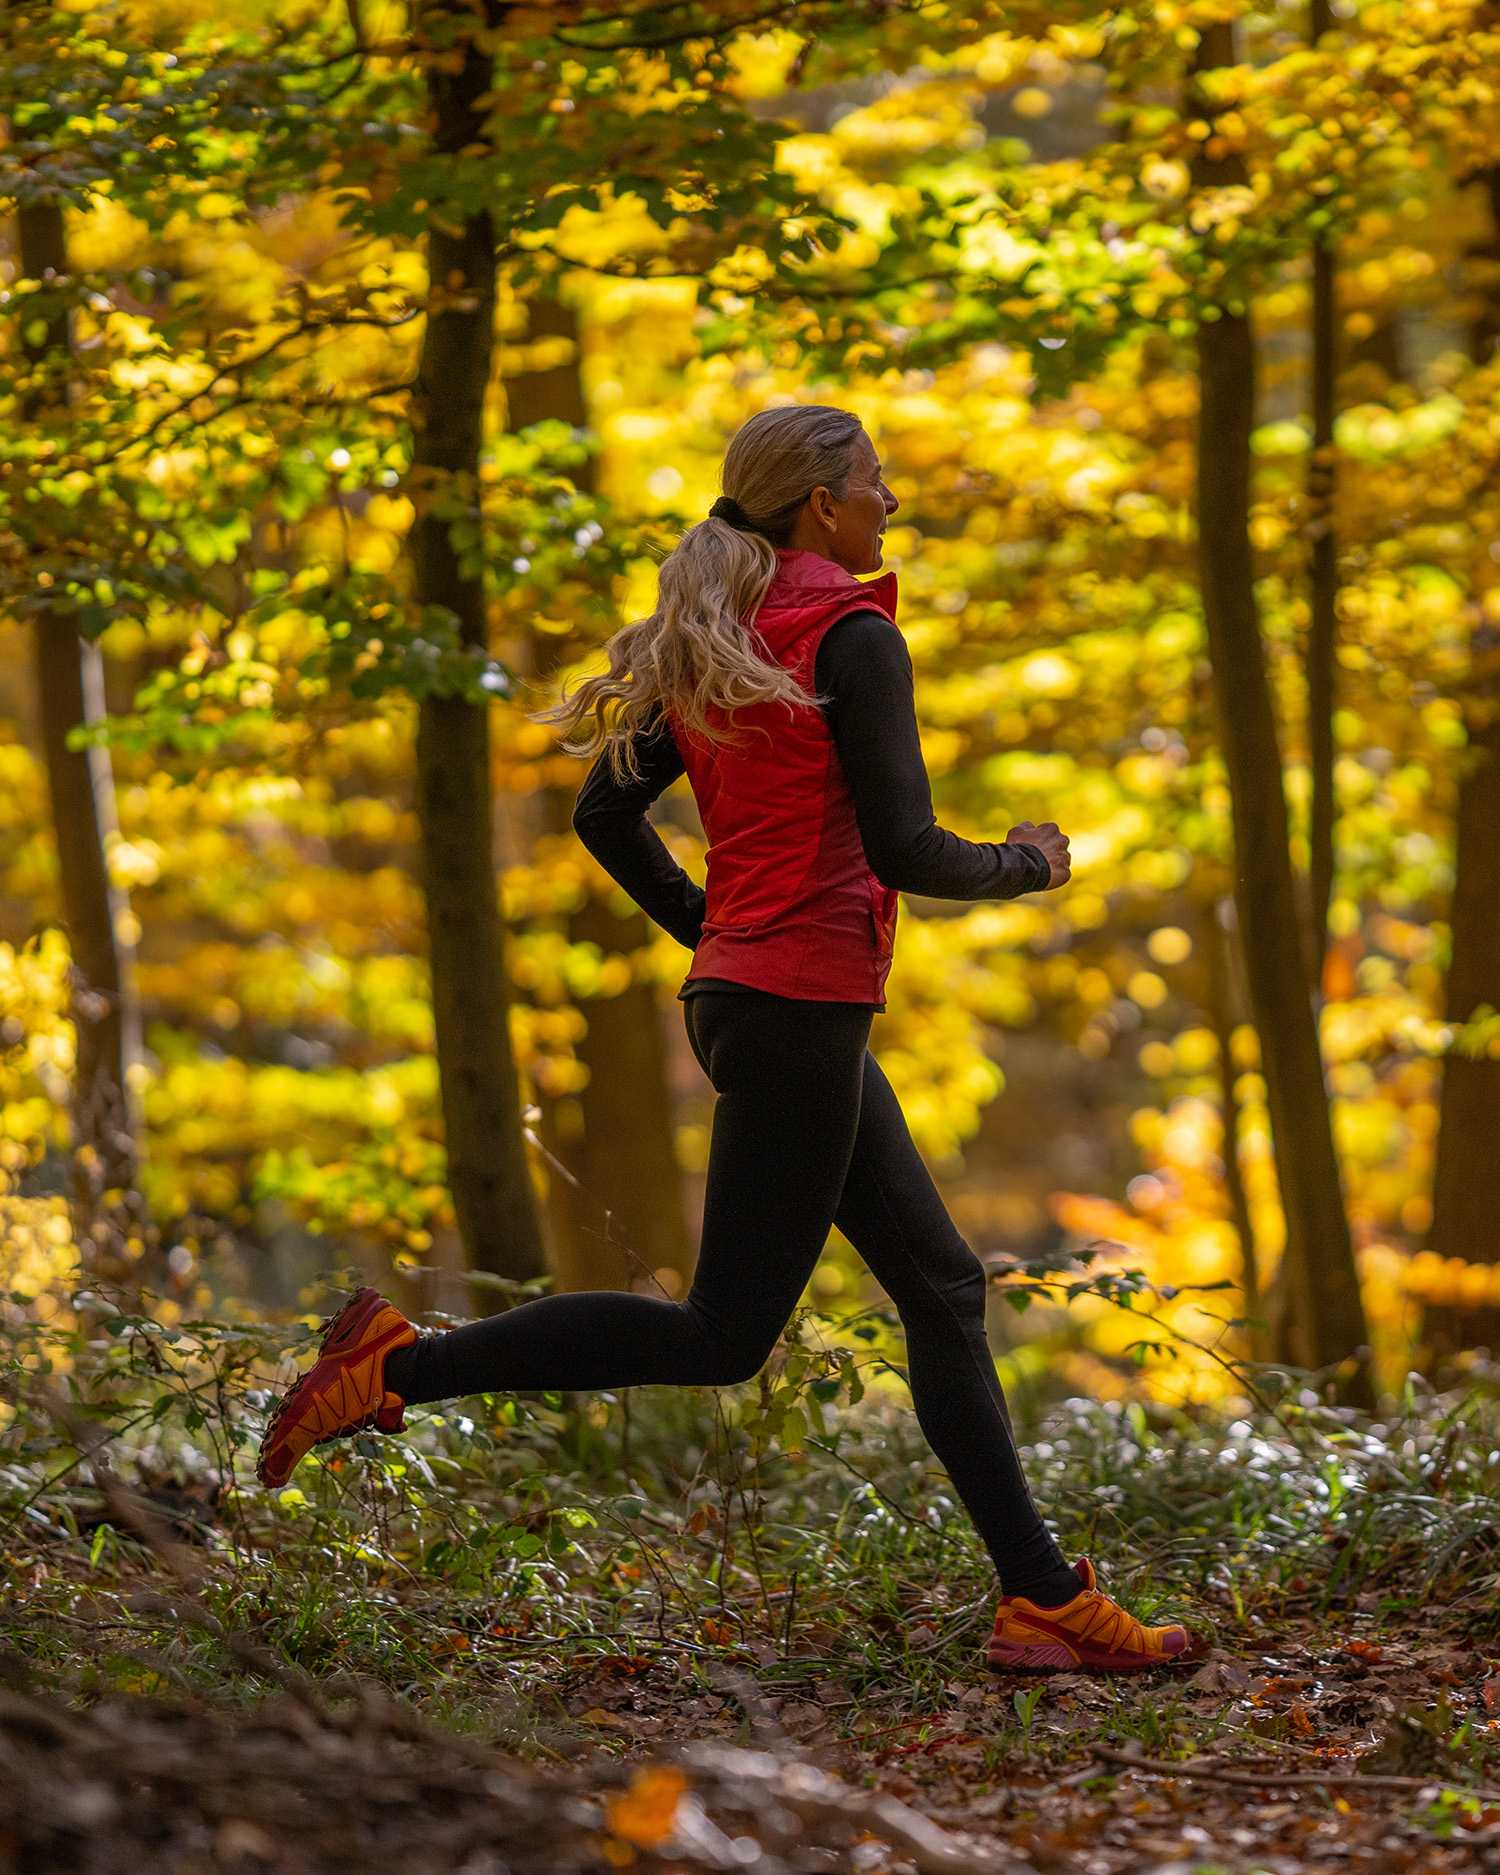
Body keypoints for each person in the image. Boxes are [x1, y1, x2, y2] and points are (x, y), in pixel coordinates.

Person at [255, 405, 1204, 1674]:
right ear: (822, 504)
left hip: (765, 1004)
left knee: (945, 1289)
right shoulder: (849, 634)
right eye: (876, 482)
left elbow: (607, 814)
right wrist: (1027, 862)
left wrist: (716, 935)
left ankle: (1041, 1600)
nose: (891, 500)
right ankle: (396, 1367)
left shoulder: (722, 637)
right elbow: (907, 850)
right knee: (721, 1336)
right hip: (795, 1012)